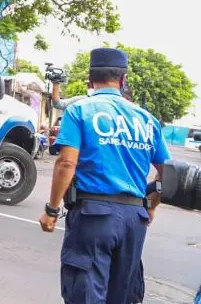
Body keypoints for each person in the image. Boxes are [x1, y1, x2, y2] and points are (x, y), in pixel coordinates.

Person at [39, 48, 171, 304]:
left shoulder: (80, 111)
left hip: (93, 217)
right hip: (134, 221)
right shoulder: (147, 120)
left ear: (90, 80)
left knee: (86, 294)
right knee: (122, 296)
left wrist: (52, 210)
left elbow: (66, 163)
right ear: (123, 80)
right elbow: (169, 173)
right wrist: (151, 205)